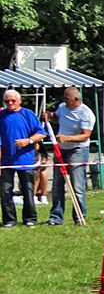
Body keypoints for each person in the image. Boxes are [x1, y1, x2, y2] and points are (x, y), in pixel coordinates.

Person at [44, 87, 95, 226]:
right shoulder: (62, 107)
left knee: (77, 186)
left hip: (77, 151)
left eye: (67, 98)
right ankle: (56, 217)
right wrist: (49, 116)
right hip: (61, 151)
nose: (64, 101)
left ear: (76, 99)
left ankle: (79, 216)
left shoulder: (86, 113)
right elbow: (56, 118)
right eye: (64, 98)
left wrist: (68, 138)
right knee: (57, 185)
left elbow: (85, 135)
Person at [0, 89, 46, 228]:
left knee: (28, 189)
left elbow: (41, 133)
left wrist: (28, 141)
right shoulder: (1, 115)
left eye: (13, 100)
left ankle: (30, 219)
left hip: (25, 159)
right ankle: (9, 220)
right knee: (5, 191)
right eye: (7, 101)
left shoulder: (27, 114)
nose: (10, 103)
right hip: (6, 161)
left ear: (19, 101)